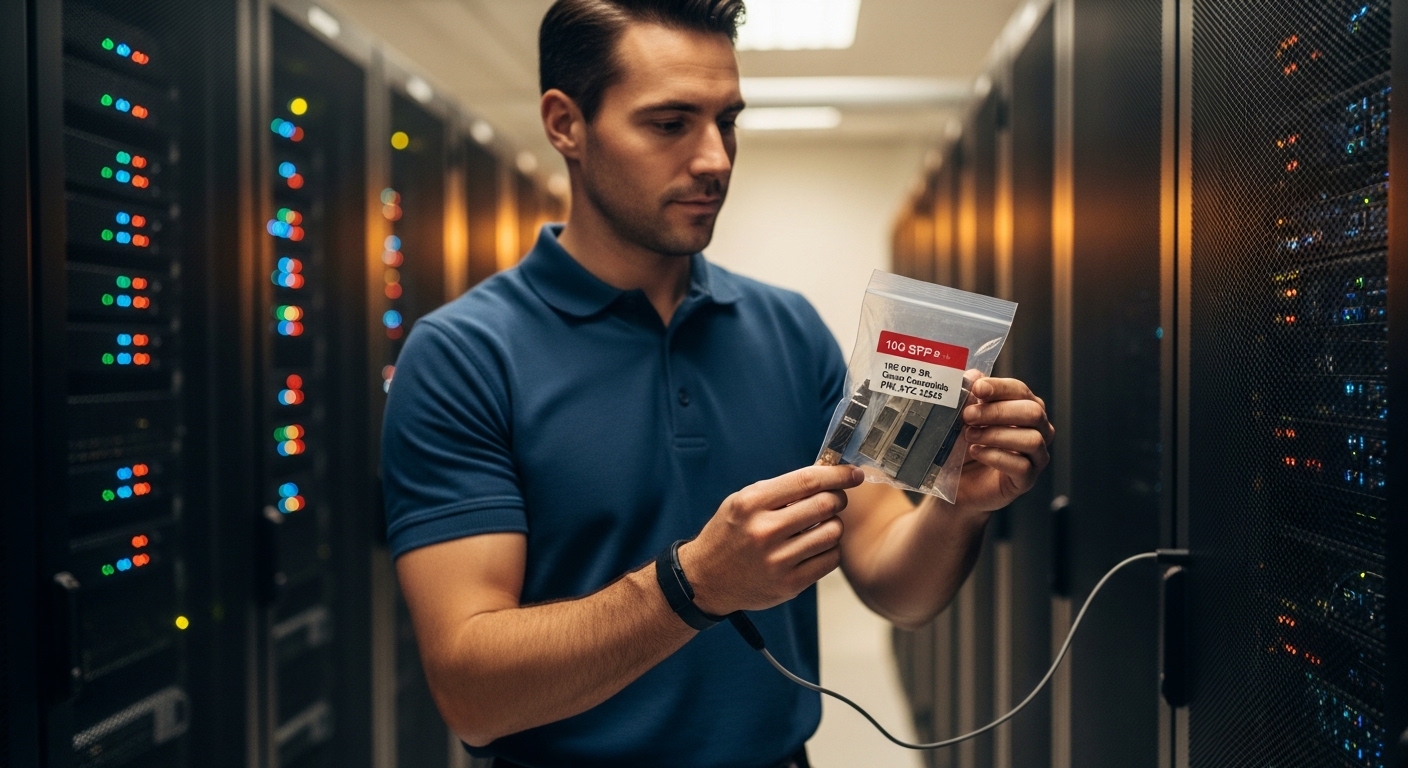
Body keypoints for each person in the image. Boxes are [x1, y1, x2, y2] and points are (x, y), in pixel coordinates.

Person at [382, 1, 1054, 766]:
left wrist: (957, 509)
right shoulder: (463, 356)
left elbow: (894, 585)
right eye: (670, 124)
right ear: (565, 124)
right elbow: (470, 692)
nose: (715, 159)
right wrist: (691, 586)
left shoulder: (787, 329)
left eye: (726, 120)